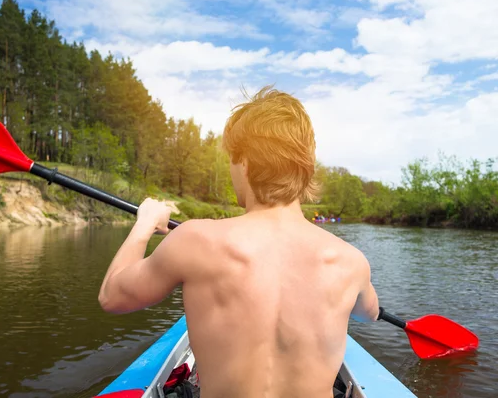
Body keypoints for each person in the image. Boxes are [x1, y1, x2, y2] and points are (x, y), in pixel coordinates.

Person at [98, 86, 380, 398]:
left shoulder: (194, 239)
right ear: (304, 166)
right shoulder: (351, 261)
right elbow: (371, 313)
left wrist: (145, 224)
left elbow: (112, 296)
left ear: (243, 161)